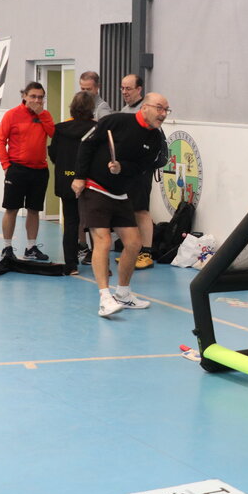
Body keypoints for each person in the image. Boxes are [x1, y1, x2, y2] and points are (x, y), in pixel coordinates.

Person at [72, 92, 169, 317]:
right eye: (159, 108)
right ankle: (105, 298)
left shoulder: (155, 139)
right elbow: (86, 144)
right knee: (103, 241)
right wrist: (79, 177)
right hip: (95, 187)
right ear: (145, 107)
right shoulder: (115, 121)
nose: (163, 114)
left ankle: (123, 294)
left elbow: (142, 168)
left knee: (134, 243)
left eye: (166, 110)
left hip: (120, 193)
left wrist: (122, 168)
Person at [0, 81, 55, 261]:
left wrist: (41, 115)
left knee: (34, 210)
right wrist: (6, 166)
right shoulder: (12, 115)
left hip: (40, 170)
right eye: (33, 96)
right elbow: (0, 141)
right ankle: (7, 247)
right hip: (17, 169)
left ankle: (31, 247)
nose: (37, 100)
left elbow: (53, 134)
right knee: (11, 209)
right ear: (24, 96)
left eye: (40, 97)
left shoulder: (45, 115)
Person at [48, 91, 97, 275]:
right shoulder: (96, 129)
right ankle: (101, 264)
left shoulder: (60, 129)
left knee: (70, 222)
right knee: (96, 224)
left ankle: (71, 265)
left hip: (66, 180)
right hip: (91, 182)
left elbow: (54, 155)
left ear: (72, 108)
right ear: (91, 109)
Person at [116, 73, 156, 270]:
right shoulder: (125, 110)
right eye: (122, 88)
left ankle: (146, 253)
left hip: (141, 170)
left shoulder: (146, 110)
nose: (124, 92)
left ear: (139, 89)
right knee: (129, 210)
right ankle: (133, 251)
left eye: (128, 88)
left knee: (141, 210)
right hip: (127, 170)